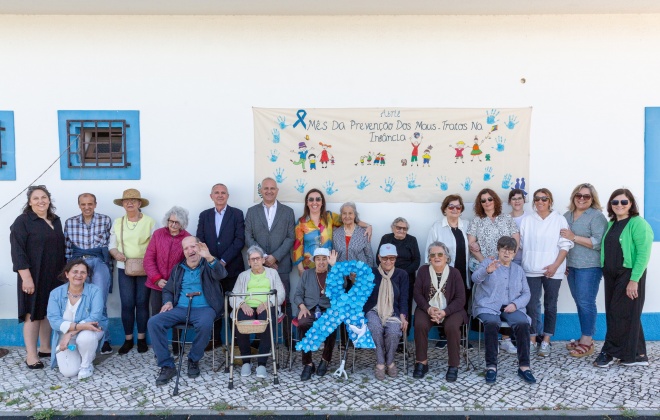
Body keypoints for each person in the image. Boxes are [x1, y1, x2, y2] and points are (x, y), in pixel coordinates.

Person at [147, 236, 227, 385]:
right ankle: (166, 365)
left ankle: (193, 359)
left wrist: (209, 257)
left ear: (199, 247)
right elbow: (168, 290)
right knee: (154, 322)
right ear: (183, 252)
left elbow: (222, 274)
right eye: (186, 248)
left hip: (205, 308)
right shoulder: (178, 268)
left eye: (193, 247)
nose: (190, 251)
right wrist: (168, 301)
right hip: (180, 308)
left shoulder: (209, 263)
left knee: (205, 324)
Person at [594, 189, 653, 368]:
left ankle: (610, 352)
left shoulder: (638, 223)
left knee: (619, 314)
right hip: (611, 275)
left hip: (629, 275)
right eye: (615, 202)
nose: (619, 205)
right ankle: (637, 354)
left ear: (631, 204)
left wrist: (634, 280)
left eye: (624, 202)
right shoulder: (612, 224)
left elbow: (643, 253)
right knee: (625, 314)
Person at [10, 185, 66, 369]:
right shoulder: (23, 221)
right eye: (36, 198)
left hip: (55, 275)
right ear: (29, 202)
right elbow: (17, 252)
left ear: (49, 200)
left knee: (48, 313)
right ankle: (31, 356)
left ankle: (45, 347)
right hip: (32, 275)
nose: (41, 201)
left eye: (44, 197)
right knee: (33, 314)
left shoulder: (55, 220)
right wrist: (26, 277)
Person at [472, 237, 536, 384]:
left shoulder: (518, 270)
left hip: (511, 307)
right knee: (492, 323)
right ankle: (491, 367)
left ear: (514, 254)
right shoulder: (488, 263)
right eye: (504, 249)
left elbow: (527, 293)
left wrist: (515, 304)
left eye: (510, 251)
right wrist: (487, 271)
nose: (507, 253)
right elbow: (475, 278)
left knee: (523, 323)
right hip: (488, 305)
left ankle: (524, 367)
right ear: (498, 250)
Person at [519, 188, 573, 357]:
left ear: (550, 201)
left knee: (551, 305)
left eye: (544, 198)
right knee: (531, 304)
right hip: (531, 269)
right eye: (537, 199)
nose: (540, 202)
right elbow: (520, 244)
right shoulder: (527, 220)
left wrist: (556, 266)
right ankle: (533, 338)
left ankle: (546, 341)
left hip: (553, 269)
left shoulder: (559, 220)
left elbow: (565, 245)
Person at [245, 178, 296, 348]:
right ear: (261, 190)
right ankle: (260, 341)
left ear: (277, 190)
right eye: (265, 188)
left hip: (280, 264)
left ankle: (288, 340)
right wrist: (264, 257)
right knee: (257, 302)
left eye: (272, 188)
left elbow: (291, 237)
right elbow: (249, 237)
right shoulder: (252, 212)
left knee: (283, 300)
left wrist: (275, 257)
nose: (269, 191)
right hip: (258, 265)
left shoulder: (287, 212)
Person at [560, 184, 607, 358]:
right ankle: (583, 336)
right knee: (580, 302)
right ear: (574, 196)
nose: (581, 198)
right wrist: (563, 262)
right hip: (572, 266)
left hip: (589, 267)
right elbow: (562, 241)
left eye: (586, 196)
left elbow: (598, 242)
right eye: (578, 195)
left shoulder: (596, 216)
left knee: (586, 302)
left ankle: (587, 341)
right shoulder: (567, 216)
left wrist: (574, 237)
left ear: (592, 199)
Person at [63, 193, 113, 354]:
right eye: (83, 204)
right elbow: (67, 249)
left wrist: (107, 268)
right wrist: (69, 271)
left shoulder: (105, 220)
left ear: (95, 204)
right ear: (79, 205)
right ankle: (81, 339)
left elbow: (107, 245)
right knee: (80, 301)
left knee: (100, 301)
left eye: (90, 204)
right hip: (78, 264)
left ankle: (104, 339)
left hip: (98, 262)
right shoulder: (70, 222)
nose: (87, 207)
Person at [196, 183, 245, 348]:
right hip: (210, 270)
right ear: (211, 196)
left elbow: (239, 240)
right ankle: (214, 339)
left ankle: (236, 342)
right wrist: (212, 261)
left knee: (234, 305)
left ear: (228, 196)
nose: (220, 195)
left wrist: (223, 260)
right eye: (216, 193)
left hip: (232, 268)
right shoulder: (204, 215)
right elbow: (200, 240)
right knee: (213, 304)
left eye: (223, 192)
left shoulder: (237, 214)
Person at [108, 188, 156, 355]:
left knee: (142, 303)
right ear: (122, 204)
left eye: (133, 200)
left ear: (139, 203)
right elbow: (112, 244)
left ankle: (142, 338)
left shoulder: (150, 221)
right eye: (126, 201)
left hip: (145, 268)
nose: (129, 203)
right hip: (124, 268)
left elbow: (154, 244)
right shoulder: (118, 222)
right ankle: (128, 339)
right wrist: (116, 254)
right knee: (127, 303)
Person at [413, 241, 468, 381]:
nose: (436, 257)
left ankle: (453, 365)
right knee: (420, 324)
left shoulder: (455, 273)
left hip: (451, 310)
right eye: (433, 255)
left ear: (446, 257)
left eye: (440, 254)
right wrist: (428, 308)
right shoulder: (423, 271)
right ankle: (421, 362)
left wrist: (445, 312)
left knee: (452, 326)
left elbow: (461, 299)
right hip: (427, 308)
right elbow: (417, 294)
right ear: (429, 258)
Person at [230, 245, 285, 379]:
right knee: (240, 320)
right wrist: (242, 304)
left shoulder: (273, 273)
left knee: (267, 319)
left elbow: (281, 293)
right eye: (252, 259)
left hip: (267, 305)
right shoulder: (243, 276)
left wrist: (268, 303)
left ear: (262, 260)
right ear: (248, 262)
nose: (255, 261)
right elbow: (233, 296)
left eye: (257, 258)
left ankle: (262, 363)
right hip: (247, 306)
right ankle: (246, 362)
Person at [47, 259, 107, 379]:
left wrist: (70, 333)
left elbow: (95, 317)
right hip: (65, 336)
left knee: (86, 337)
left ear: (87, 275)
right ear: (67, 274)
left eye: (83, 272)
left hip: (89, 331)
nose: (79, 275)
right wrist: (77, 329)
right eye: (75, 271)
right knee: (69, 372)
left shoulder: (94, 291)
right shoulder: (55, 293)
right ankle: (84, 354)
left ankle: (86, 365)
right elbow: (53, 320)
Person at [293, 189, 372, 275]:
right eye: (311, 199)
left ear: (322, 202)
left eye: (318, 199)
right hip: (309, 268)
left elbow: (348, 219)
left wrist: (368, 226)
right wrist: (301, 269)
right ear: (307, 203)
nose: (314, 202)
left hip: (329, 267)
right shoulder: (301, 222)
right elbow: (297, 247)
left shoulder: (329, 217)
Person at [363, 244, 408, 380]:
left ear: (396, 258)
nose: (388, 261)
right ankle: (381, 363)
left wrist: (403, 316)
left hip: (393, 312)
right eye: (384, 258)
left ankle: (390, 361)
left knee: (394, 332)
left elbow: (404, 297)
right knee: (375, 328)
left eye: (391, 258)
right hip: (373, 310)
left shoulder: (402, 274)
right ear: (379, 258)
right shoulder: (371, 273)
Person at [294, 248, 340, 381]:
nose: (321, 262)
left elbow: (341, 287)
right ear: (314, 261)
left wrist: (335, 267)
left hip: (327, 309)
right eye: (318, 259)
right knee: (303, 323)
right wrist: (302, 307)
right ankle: (308, 363)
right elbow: (297, 295)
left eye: (324, 259)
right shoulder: (307, 274)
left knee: (331, 324)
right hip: (309, 309)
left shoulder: (333, 273)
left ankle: (325, 360)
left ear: (328, 260)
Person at [144, 206, 192, 316]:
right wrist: (157, 279)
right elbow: (148, 259)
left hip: (177, 286)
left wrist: (175, 281)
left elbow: (188, 264)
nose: (174, 225)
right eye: (171, 221)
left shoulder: (187, 238)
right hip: (157, 284)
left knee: (177, 317)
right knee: (157, 316)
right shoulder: (158, 234)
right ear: (167, 220)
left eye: (177, 222)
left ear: (183, 223)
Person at [377, 217, 421, 337]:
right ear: (393, 228)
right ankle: (387, 334)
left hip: (407, 277)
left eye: (404, 228)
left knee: (405, 304)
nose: (401, 230)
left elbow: (417, 260)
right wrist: (390, 272)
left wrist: (403, 274)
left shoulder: (412, 240)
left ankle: (404, 338)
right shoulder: (386, 238)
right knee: (389, 303)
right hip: (388, 277)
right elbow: (379, 257)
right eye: (398, 227)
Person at [332, 202, 375, 266]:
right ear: (341, 216)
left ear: (355, 215)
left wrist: (368, 273)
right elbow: (333, 256)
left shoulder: (363, 233)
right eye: (344, 213)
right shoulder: (336, 233)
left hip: (359, 273)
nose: (347, 216)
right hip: (341, 273)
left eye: (350, 213)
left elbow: (369, 256)